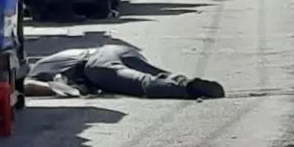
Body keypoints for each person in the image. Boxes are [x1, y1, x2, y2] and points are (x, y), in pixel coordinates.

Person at [24, 45, 225, 99]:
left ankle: (187, 89)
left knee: (140, 84)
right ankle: (184, 81)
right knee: (156, 74)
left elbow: (32, 88)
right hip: (115, 50)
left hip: (94, 63)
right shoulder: (45, 63)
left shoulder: (33, 73)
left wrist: (78, 89)